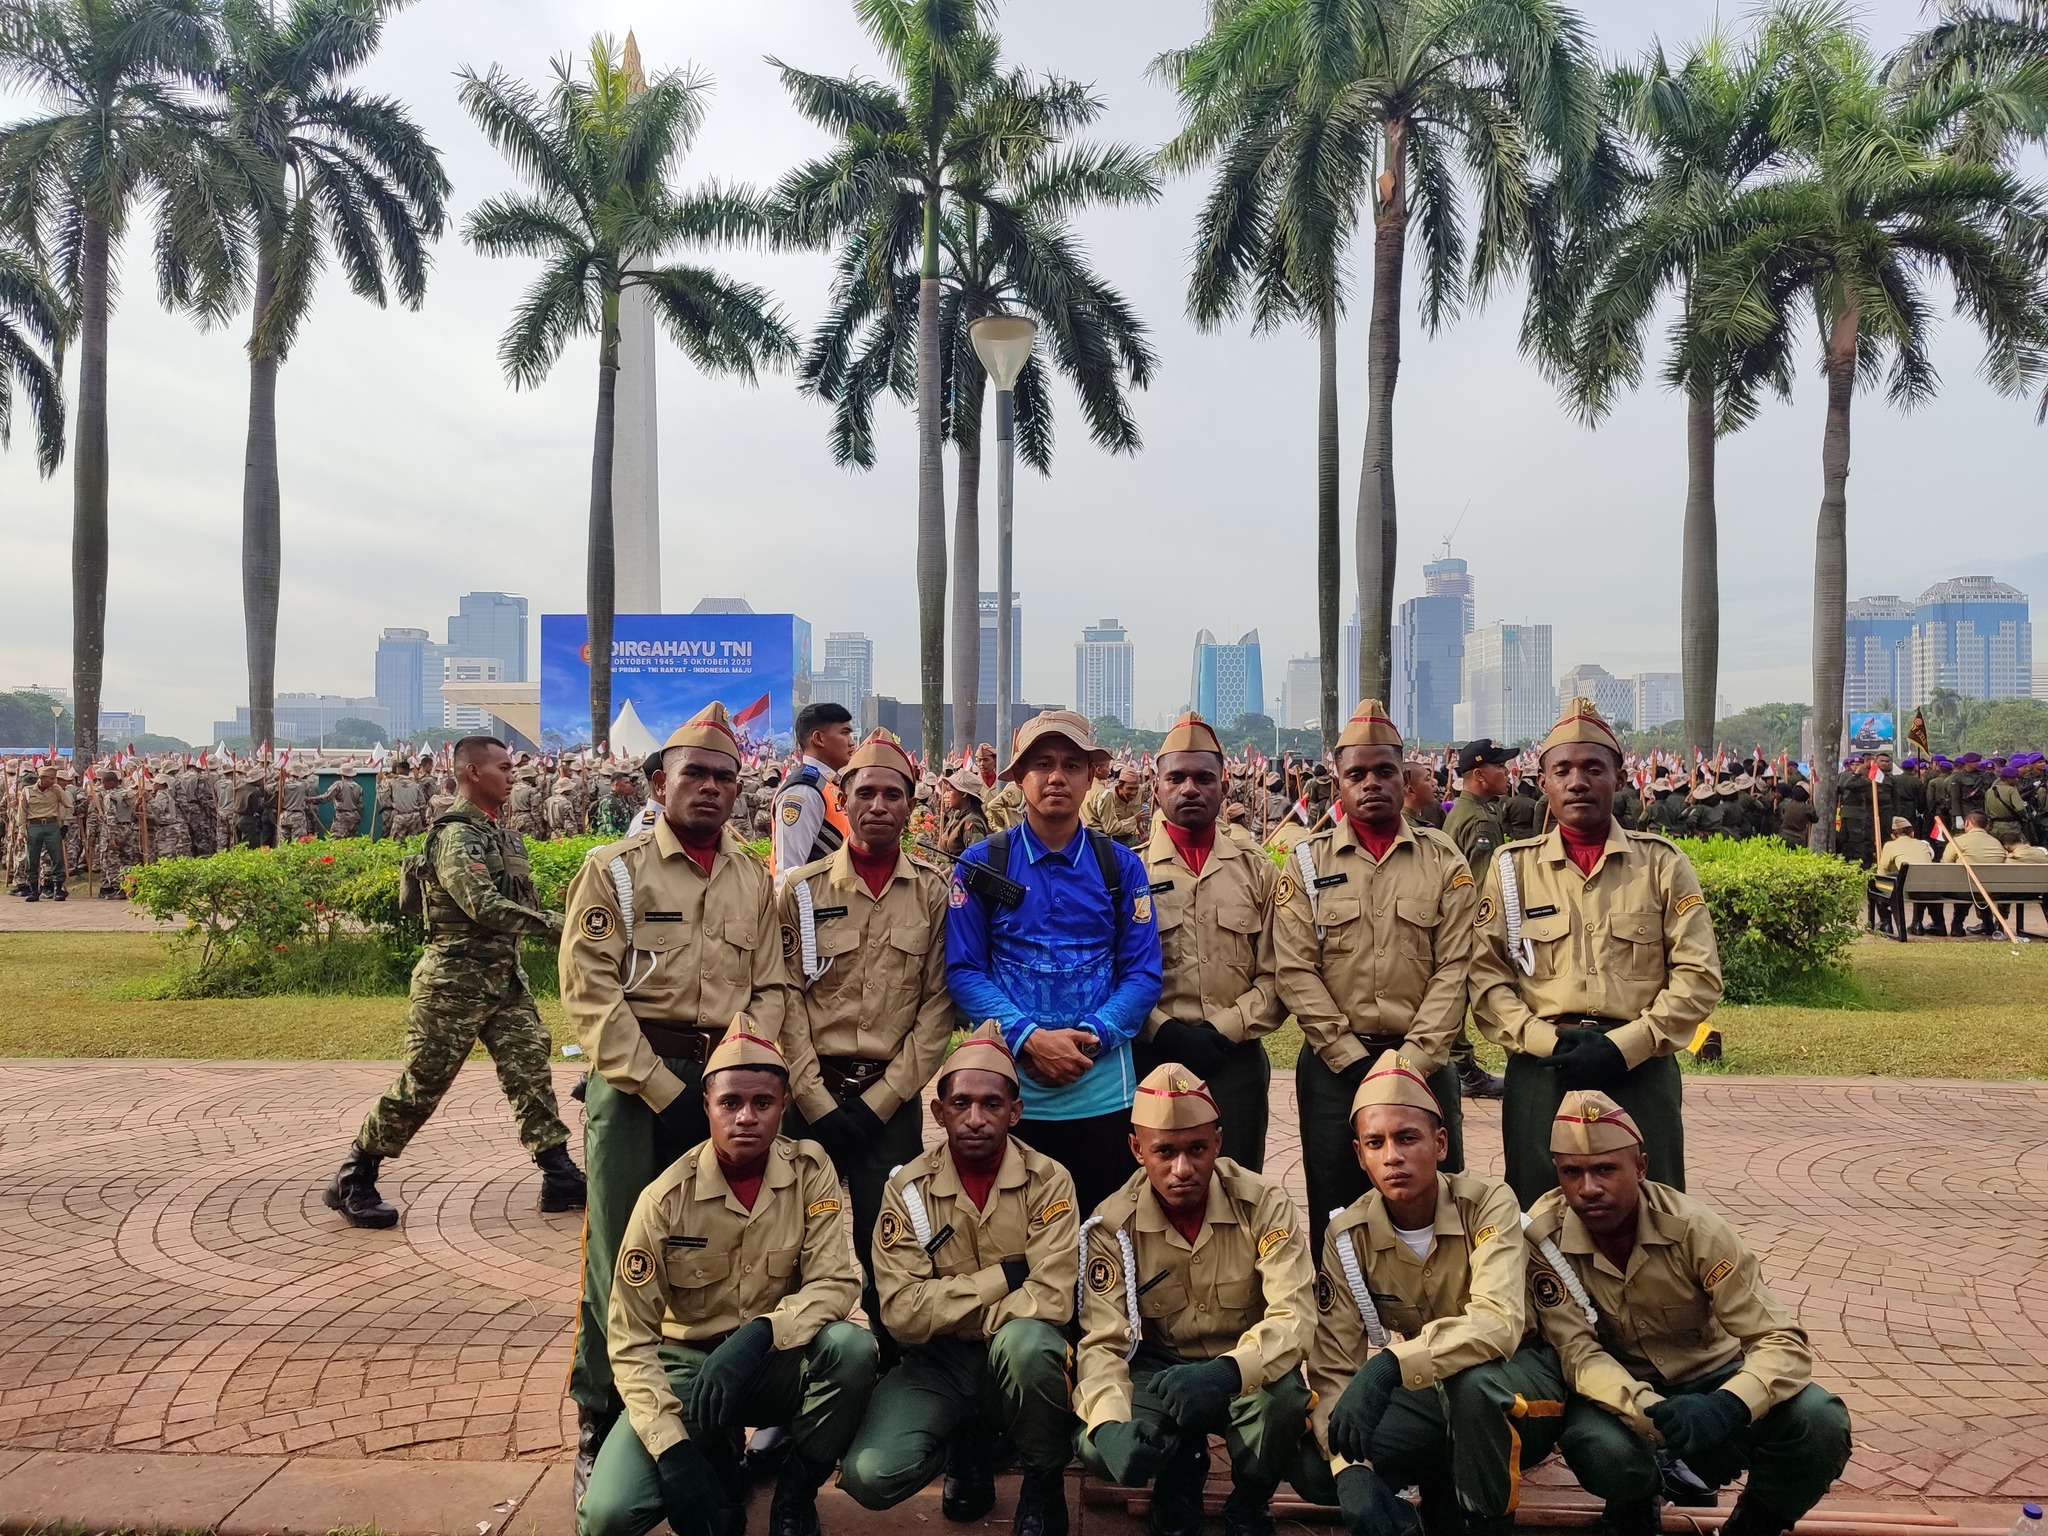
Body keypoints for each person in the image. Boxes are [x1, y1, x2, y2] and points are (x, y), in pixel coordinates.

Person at [559, 702, 790, 1498]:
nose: (711, 789)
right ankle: (599, 1416)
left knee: (720, 1245)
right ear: (659, 783)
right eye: (695, 774)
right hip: (633, 1086)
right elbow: (589, 996)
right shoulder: (614, 869)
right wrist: (664, 1091)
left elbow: (767, 988)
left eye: (726, 778)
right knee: (618, 1253)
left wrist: (730, 1082)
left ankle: (711, 1417)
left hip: (722, 1087)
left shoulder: (752, 877)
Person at [577, 1022, 879, 1536]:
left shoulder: (811, 1171)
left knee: (851, 1350)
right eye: (730, 1102)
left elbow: (835, 1284)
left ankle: (796, 1490)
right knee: (607, 1516)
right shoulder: (664, 1199)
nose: (746, 1117)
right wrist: (671, 1452)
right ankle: (712, 1453)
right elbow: (629, 1341)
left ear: (783, 1105)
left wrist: (761, 1333)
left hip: (770, 1360)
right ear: (706, 1107)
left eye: (762, 1103)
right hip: (686, 1370)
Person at [1527, 1092, 1852, 1536]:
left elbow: (1781, 1342)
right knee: (1599, 1448)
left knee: (1819, 1418)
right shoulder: (1543, 1242)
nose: (1588, 1188)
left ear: (1640, 1168)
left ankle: (1755, 1523)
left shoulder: (1696, 1230)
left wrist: (1729, 1406)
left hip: (1712, 1381)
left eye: (1605, 1169)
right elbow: (1577, 1354)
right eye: (1572, 1172)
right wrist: (1655, 1418)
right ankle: (1635, 1504)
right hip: (1618, 1395)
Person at [1295, 1051, 1567, 1536]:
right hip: (1432, 1387)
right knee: (1320, 1469)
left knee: (1474, 1387)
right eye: (1375, 1143)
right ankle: (1428, 1492)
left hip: (1518, 1385)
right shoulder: (1347, 1234)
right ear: (1359, 1155)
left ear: (1440, 1143)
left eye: (1407, 1138)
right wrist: (1350, 1471)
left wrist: (1389, 1365)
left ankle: (1486, 1522)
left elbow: (1499, 1323)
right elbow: (1333, 1364)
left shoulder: (1488, 1205)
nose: (1392, 1156)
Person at [1470, 697, 1723, 1207]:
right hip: (1542, 1067)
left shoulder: (1662, 865)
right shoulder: (1510, 870)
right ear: (1543, 783)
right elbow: (1485, 976)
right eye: (1562, 769)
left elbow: (1699, 977)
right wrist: (1544, 1041)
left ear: (1619, 777)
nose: (1577, 781)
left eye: (1593, 768)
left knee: (1653, 1219)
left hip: (1639, 1066)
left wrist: (1623, 1046)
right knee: (1538, 1219)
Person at [326, 736, 583, 1228]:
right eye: (503, 768)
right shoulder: (457, 836)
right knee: (423, 1084)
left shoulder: (496, 833)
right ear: (470, 773)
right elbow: (482, 905)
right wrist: (561, 926)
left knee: (529, 1071)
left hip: (502, 979)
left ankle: (559, 1175)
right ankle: (354, 1177)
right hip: (453, 983)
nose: (513, 776)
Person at [840, 1025, 1079, 1536]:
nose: (975, 1118)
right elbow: (900, 1312)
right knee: (869, 1477)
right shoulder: (907, 1190)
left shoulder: (1049, 1181)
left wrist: (956, 1308)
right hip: (938, 1362)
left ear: (1015, 1113)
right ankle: (961, 1445)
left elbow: (1054, 1299)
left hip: (1009, 1355)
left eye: (992, 1104)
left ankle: (1043, 1479)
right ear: (938, 1112)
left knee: (1030, 1344)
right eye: (961, 1102)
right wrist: (1003, 1278)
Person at [1273, 701, 1478, 1257]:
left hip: (1425, 1065)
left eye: (1384, 771)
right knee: (1336, 1214)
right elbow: (1294, 969)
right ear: (1336, 779)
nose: (1370, 784)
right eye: (1356, 774)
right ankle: (1339, 1332)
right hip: (1336, 1071)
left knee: (1435, 1214)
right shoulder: (1308, 864)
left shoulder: (1444, 861)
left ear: (1404, 775)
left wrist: (1409, 1060)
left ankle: (1437, 1336)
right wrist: (1352, 1057)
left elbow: (1457, 967)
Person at [1075, 1065, 1314, 1536]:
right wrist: (1106, 1427)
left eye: (1197, 1149)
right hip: (1160, 1373)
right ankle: (1180, 1468)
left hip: (1242, 1369)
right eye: (1164, 1151)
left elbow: (1295, 1316)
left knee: (1283, 1400)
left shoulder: (1263, 1204)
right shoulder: (1111, 1225)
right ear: (1137, 1149)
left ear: (1218, 1143)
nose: (1182, 1169)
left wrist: (1226, 1372)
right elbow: (1103, 1341)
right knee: (1093, 1446)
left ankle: (1250, 1497)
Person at [945, 710, 1163, 1219]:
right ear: (1020, 776)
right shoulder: (980, 864)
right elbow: (964, 970)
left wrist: (1092, 1035)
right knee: (1013, 1242)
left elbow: (1142, 973)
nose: (1056, 777)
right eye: (1042, 764)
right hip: (1011, 1094)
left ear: (1092, 776)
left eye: (1071, 764)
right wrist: (1028, 1038)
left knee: (1101, 1239)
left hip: (1104, 1092)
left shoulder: (1122, 866)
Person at [776, 728, 954, 1340]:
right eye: (866, 792)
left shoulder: (934, 894)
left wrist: (882, 1102)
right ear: (842, 800)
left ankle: (890, 1372)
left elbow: (937, 1009)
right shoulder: (800, 892)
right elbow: (786, 1001)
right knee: (794, 1245)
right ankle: (794, 1387)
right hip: (810, 1099)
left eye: (893, 794)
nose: (879, 805)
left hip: (890, 1102)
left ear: (911, 805)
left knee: (894, 1250)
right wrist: (815, 1101)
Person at [1135, 711, 1283, 1171]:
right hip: (1151, 1057)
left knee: (1238, 1191)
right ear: (1156, 785)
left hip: (1233, 1063)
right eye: (1176, 777)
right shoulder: (1128, 872)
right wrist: (1164, 1030)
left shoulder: (1257, 869)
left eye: (1204, 777)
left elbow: (1281, 972)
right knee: (1152, 1195)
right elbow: (1111, 975)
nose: (1190, 788)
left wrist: (1225, 1029)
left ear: (1224, 785)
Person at [1440, 740, 1519, 1103]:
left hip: (1458, 927)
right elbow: (1483, 886)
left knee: (1458, 999)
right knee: (1500, 994)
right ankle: (1519, 1065)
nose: (1507, 773)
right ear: (1479, 774)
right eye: (1500, 767)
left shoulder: (1463, 811)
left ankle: (1461, 1065)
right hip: (1474, 928)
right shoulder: (1479, 819)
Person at [772, 701, 856, 879]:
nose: (851, 743)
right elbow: (790, 871)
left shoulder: (827, 783)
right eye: (844, 733)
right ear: (818, 738)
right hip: (811, 904)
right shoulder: (804, 789)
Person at [1942, 810, 2008, 936]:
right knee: (1980, 886)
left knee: (1964, 884)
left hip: (1964, 892)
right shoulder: (1997, 843)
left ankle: (1957, 924)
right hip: (1993, 891)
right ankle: (1988, 923)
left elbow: (1946, 865)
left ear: (1967, 823)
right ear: (1986, 825)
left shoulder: (1958, 841)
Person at [1873, 816, 1939, 936]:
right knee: (1919, 881)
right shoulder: (1923, 845)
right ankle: (1917, 923)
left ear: (1893, 836)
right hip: (1931, 888)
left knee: (1875, 883)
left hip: (1907, 889)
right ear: (1912, 833)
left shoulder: (1890, 845)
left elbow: (1882, 871)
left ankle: (1885, 923)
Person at [18, 762, 67, 901]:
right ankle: (34, 889)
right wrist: (22, 831)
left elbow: (68, 805)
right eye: (51, 779)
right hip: (34, 826)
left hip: (51, 826)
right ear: (43, 778)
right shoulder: (27, 791)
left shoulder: (56, 790)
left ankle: (57, 888)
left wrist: (66, 823)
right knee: (31, 858)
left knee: (57, 857)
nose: (53, 781)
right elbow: (22, 813)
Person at [1083, 764, 1146, 847]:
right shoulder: (1108, 796)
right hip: (1114, 839)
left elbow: (1137, 814)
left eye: (1136, 788)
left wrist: (1141, 831)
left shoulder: (1140, 793)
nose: (1134, 793)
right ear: (1120, 786)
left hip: (1130, 835)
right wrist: (1134, 820)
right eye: (1130, 788)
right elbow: (1110, 828)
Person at [935, 766, 991, 857]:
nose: (946, 795)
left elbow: (975, 860)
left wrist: (950, 870)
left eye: (950, 790)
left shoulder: (972, 822)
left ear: (963, 794)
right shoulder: (957, 817)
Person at [319, 766, 365, 838]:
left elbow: (326, 797)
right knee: (351, 841)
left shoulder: (339, 784)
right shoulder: (358, 787)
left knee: (335, 841)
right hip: (355, 818)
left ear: (342, 775)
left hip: (342, 817)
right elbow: (361, 805)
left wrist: (310, 799)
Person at [1400, 763, 1444, 830]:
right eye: (1428, 779)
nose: (1433, 783)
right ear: (1411, 790)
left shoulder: (1415, 818)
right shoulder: (1406, 827)